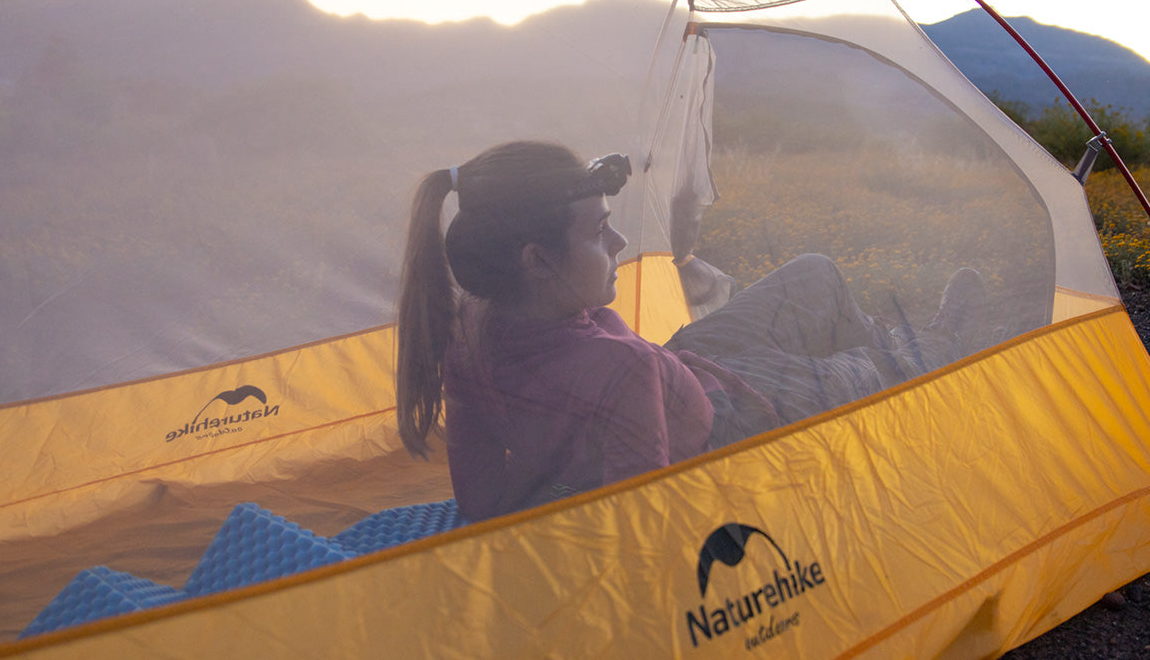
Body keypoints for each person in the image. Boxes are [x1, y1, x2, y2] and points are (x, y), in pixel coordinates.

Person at [396, 141, 984, 522]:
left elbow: (482, 503)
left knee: (815, 273)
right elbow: (647, 529)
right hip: (739, 415)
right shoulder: (615, 371)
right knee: (872, 372)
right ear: (537, 261)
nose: (619, 244)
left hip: (679, 363)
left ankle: (879, 339)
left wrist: (551, 460)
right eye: (598, 232)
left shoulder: (468, 335)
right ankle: (933, 345)